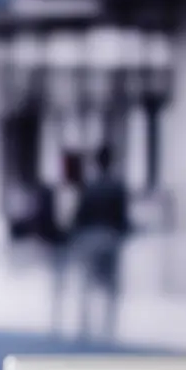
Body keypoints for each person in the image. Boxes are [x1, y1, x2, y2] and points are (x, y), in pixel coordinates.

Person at [68, 144, 131, 341]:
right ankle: (108, 328)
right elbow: (122, 217)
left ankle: (84, 326)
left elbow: (79, 215)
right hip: (110, 237)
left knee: (87, 283)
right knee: (110, 286)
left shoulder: (89, 187)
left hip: (90, 237)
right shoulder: (117, 186)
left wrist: (75, 237)